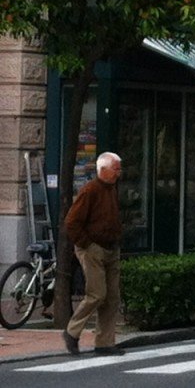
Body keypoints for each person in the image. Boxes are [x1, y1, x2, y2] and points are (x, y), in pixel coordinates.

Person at [63, 151, 124, 356]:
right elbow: (71, 222)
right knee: (97, 294)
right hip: (94, 247)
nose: (119, 173)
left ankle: (105, 343)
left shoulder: (111, 189)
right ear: (103, 170)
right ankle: (72, 332)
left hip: (110, 247)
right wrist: (87, 245)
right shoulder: (90, 191)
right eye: (116, 169)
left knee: (112, 297)